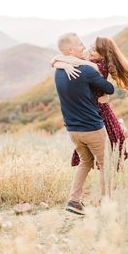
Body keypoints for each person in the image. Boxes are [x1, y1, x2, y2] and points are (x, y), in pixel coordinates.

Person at [51, 36, 128, 172]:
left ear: (103, 54)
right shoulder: (91, 61)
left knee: (112, 147)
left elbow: (68, 60)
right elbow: (56, 60)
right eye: (90, 48)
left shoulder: (99, 67)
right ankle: (124, 137)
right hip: (92, 108)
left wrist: (63, 63)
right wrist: (62, 64)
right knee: (109, 147)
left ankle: (121, 129)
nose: (89, 51)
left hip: (99, 110)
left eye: (94, 50)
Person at [53, 32, 115, 215]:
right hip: (92, 128)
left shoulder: (58, 71)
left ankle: (73, 200)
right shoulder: (86, 71)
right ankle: (106, 204)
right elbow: (109, 88)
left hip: (73, 130)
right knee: (106, 164)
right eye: (80, 44)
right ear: (70, 50)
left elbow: (57, 61)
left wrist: (61, 61)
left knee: (86, 162)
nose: (84, 47)